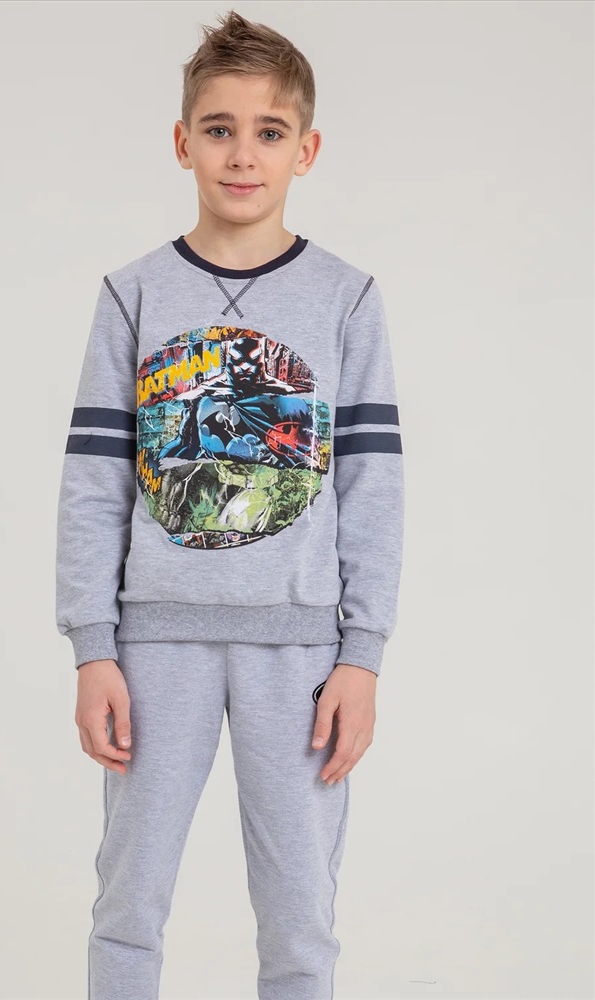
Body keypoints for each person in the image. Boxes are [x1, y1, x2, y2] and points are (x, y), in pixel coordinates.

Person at [55, 9, 404, 1000]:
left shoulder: (345, 298)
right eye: (219, 129)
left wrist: (362, 657)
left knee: (300, 919)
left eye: (268, 131)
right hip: (152, 646)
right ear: (183, 142)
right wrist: (92, 646)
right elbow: (92, 481)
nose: (242, 154)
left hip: (300, 656)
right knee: (128, 904)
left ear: (306, 150)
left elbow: (373, 488)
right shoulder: (133, 295)